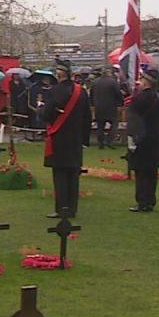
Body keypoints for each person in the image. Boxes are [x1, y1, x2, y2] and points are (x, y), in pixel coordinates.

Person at [40, 59, 91, 218]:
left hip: (60, 138)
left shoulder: (55, 91)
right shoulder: (81, 91)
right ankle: (72, 209)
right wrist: (85, 140)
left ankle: (61, 208)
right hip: (76, 139)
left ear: (59, 74)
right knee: (73, 175)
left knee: (60, 175)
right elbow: (87, 117)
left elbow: (46, 115)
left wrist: (40, 107)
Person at [127, 70, 159, 212]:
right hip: (156, 136)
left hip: (142, 137)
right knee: (151, 171)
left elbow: (133, 117)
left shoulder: (141, 98)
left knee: (141, 171)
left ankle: (142, 200)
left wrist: (132, 137)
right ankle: (150, 200)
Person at [90, 68, 122, 148]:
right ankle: (109, 140)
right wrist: (120, 103)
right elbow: (118, 93)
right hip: (111, 107)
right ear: (109, 73)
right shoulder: (113, 82)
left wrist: (93, 104)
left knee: (100, 126)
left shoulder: (95, 82)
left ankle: (100, 143)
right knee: (114, 124)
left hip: (99, 107)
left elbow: (91, 94)